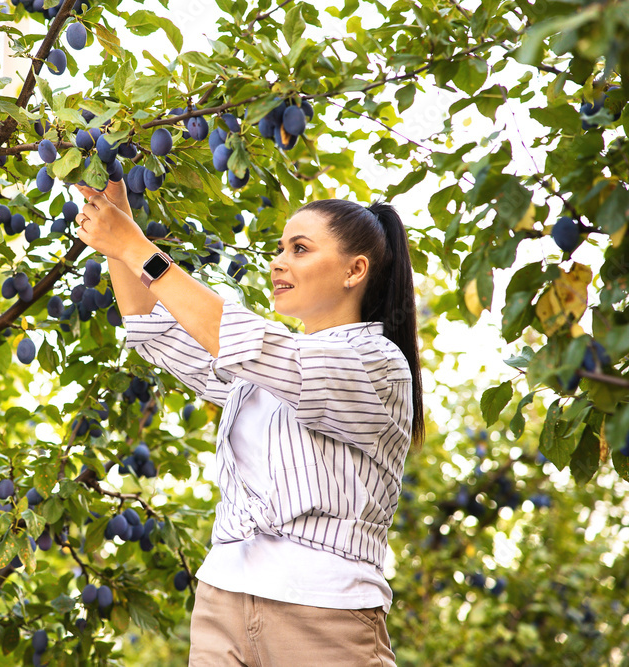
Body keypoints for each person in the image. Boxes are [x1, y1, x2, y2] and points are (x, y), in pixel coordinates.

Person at [73, 179, 424, 667]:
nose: (278, 261)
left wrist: (137, 247)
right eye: (280, 248)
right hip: (223, 602)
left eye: (299, 249)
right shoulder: (258, 376)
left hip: (322, 612)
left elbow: (249, 343)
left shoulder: (376, 362)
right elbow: (152, 326)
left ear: (355, 270)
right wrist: (117, 219)